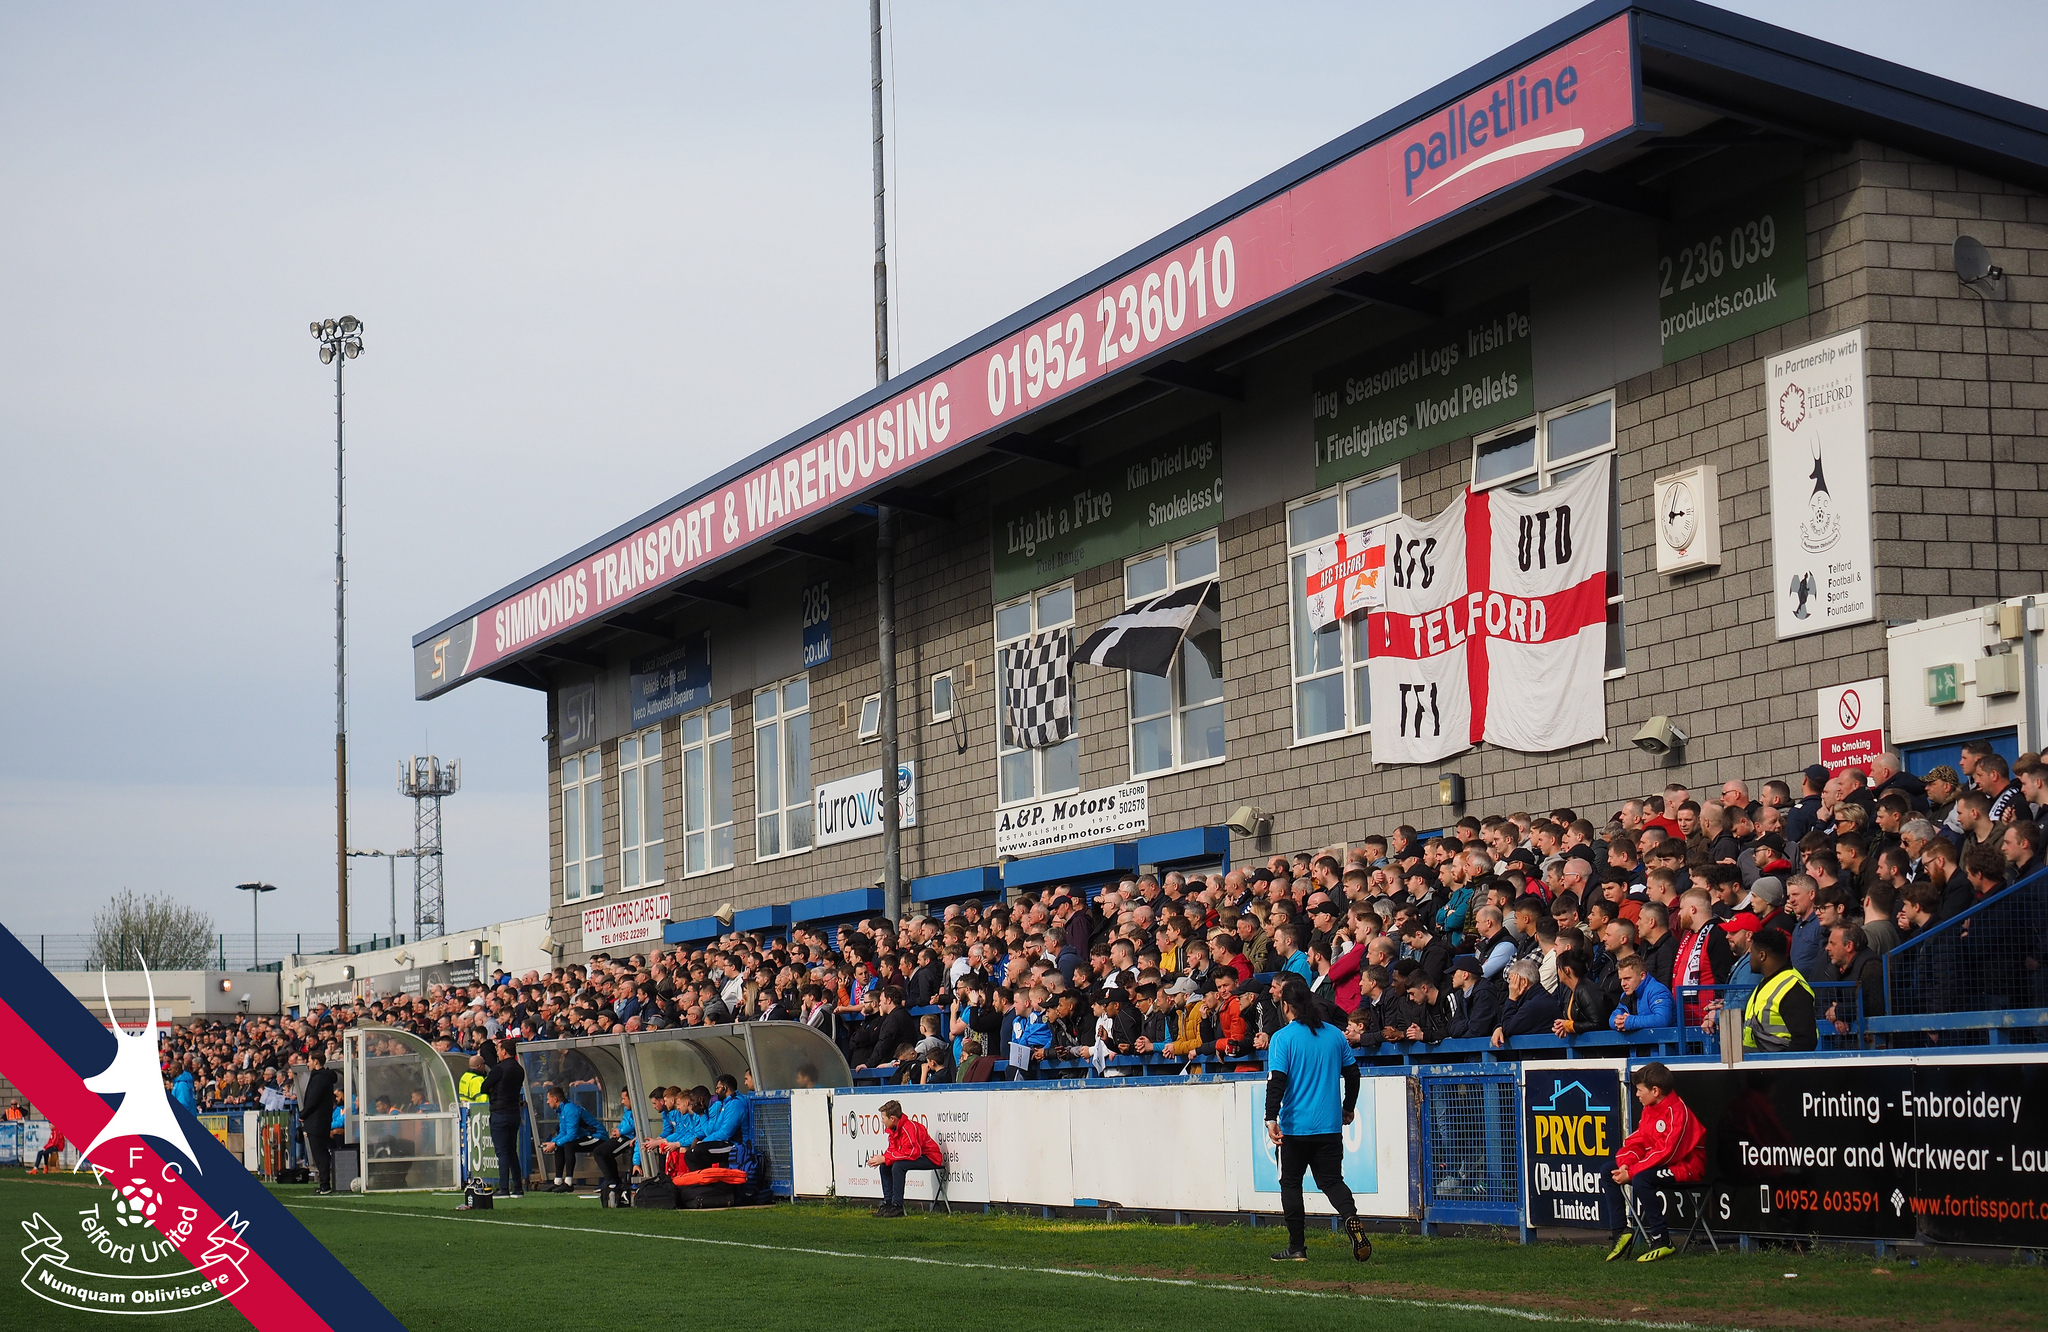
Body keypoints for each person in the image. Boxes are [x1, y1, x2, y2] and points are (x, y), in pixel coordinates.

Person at [1262, 976, 1372, 1264]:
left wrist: (1270, 1118)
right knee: (1332, 1181)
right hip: (1329, 1125)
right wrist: (1348, 1107)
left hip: (1296, 1127)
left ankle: (1297, 1247)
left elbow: (1277, 1081)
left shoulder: (1283, 1038)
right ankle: (1350, 1217)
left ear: (1286, 1006)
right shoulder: (1335, 1035)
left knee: (1290, 1183)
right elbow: (1353, 1074)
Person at [1606, 1062, 1706, 1264]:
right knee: (1608, 1171)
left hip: (1686, 1167)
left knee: (1642, 1179)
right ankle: (1620, 1232)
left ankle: (1662, 1239)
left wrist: (1632, 1172)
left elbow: (1668, 1153)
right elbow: (1637, 1141)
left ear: (1655, 1090)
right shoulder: (1650, 1109)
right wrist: (1626, 1164)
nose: (1637, 1095)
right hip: (1661, 1164)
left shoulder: (1678, 1112)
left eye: (1639, 1090)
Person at [864, 1099, 944, 1218]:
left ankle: (897, 1206)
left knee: (898, 1166)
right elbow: (893, 1150)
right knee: (885, 1166)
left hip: (929, 1157)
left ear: (892, 1119)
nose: (882, 1121)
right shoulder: (893, 1130)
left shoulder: (908, 1127)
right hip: (918, 1155)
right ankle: (888, 1203)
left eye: (883, 1118)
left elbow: (912, 1152)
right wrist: (883, 1159)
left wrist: (886, 1158)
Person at [1743, 930, 1817, 1053]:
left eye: (1752, 953)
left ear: (1762, 955)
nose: (1749, 957)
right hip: (1758, 1065)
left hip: (1776, 1067)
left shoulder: (1792, 988)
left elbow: (1805, 1041)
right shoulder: (1767, 983)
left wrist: (1780, 1067)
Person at [478, 1040, 527, 1198]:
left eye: (498, 1050)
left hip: (500, 1112)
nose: (497, 1053)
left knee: (502, 1152)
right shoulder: (519, 1069)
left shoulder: (499, 1069)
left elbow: (484, 1088)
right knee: (512, 1151)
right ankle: (518, 1188)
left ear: (504, 1051)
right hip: (514, 1112)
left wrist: (493, 1088)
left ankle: (504, 1187)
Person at [539, 1085, 607, 1193]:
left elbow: (571, 1135)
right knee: (560, 1145)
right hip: (584, 1137)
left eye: (548, 1099)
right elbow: (563, 1133)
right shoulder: (562, 1110)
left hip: (597, 1137)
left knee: (568, 1145)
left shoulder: (570, 1109)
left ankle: (569, 1183)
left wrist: (555, 1143)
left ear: (555, 1099)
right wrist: (553, 1142)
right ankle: (558, 1182)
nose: (547, 1102)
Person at [300, 1051, 339, 1195]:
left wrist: (303, 1114)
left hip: (316, 1121)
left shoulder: (319, 1079)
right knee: (321, 1153)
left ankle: (325, 1185)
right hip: (321, 1120)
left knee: (320, 1154)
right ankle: (324, 1183)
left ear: (316, 1061)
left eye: (309, 1060)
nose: (307, 1063)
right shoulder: (324, 1077)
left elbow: (313, 1100)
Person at [594, 1088, 637, 1207]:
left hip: (628, 1138)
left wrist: (621, 1131)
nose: (622, 1102)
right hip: (622, 1136)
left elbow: (635, 1125)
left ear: (632, 1098)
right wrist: (617, 1130)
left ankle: (612, 1182)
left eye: (624, 1099)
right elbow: (625, 1122)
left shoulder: (638, 1109)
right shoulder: (627, 1110)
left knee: (605, 1153)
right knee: (599, 1152)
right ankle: (612, 1181)